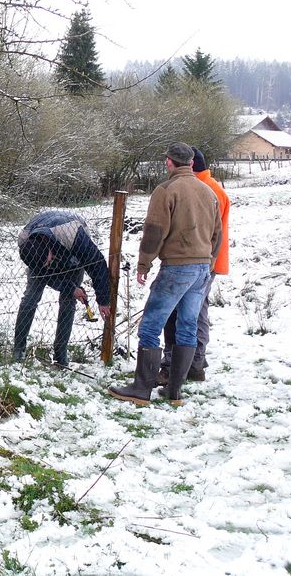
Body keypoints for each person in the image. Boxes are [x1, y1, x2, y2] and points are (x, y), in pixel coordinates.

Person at [110, 142, 222, 407]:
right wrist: (209, 261)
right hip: (202, 269)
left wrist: (143, 265)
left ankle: (141, 389)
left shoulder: (166, 190)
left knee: (150, 326)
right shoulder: (209, 192)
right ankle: (174, 392)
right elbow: (217, 234)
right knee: (187, 326)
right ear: (192, 163)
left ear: (169, 162)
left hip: (177, 267)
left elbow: (154, 231)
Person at [158, 146, 230, 385]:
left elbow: (204, 230)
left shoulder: (203, 190)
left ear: (190, 166)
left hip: (197, 261)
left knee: (185, 314)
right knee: (196, 313)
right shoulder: (215, 187)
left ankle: (180, 365)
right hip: (209, 261)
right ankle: (194, 364)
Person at [13, 210, 113, 368]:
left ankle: (61, 355)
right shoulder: (25, 241)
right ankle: (18, 351)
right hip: (45, 247)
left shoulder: (73, 235)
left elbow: (97, 265)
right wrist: (70, 288)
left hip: (72, 254)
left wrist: (103, 300)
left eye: (48, 260)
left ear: (49, 250)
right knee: (30, 298)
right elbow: (42, 274)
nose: (50, 263)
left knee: (68, 302)